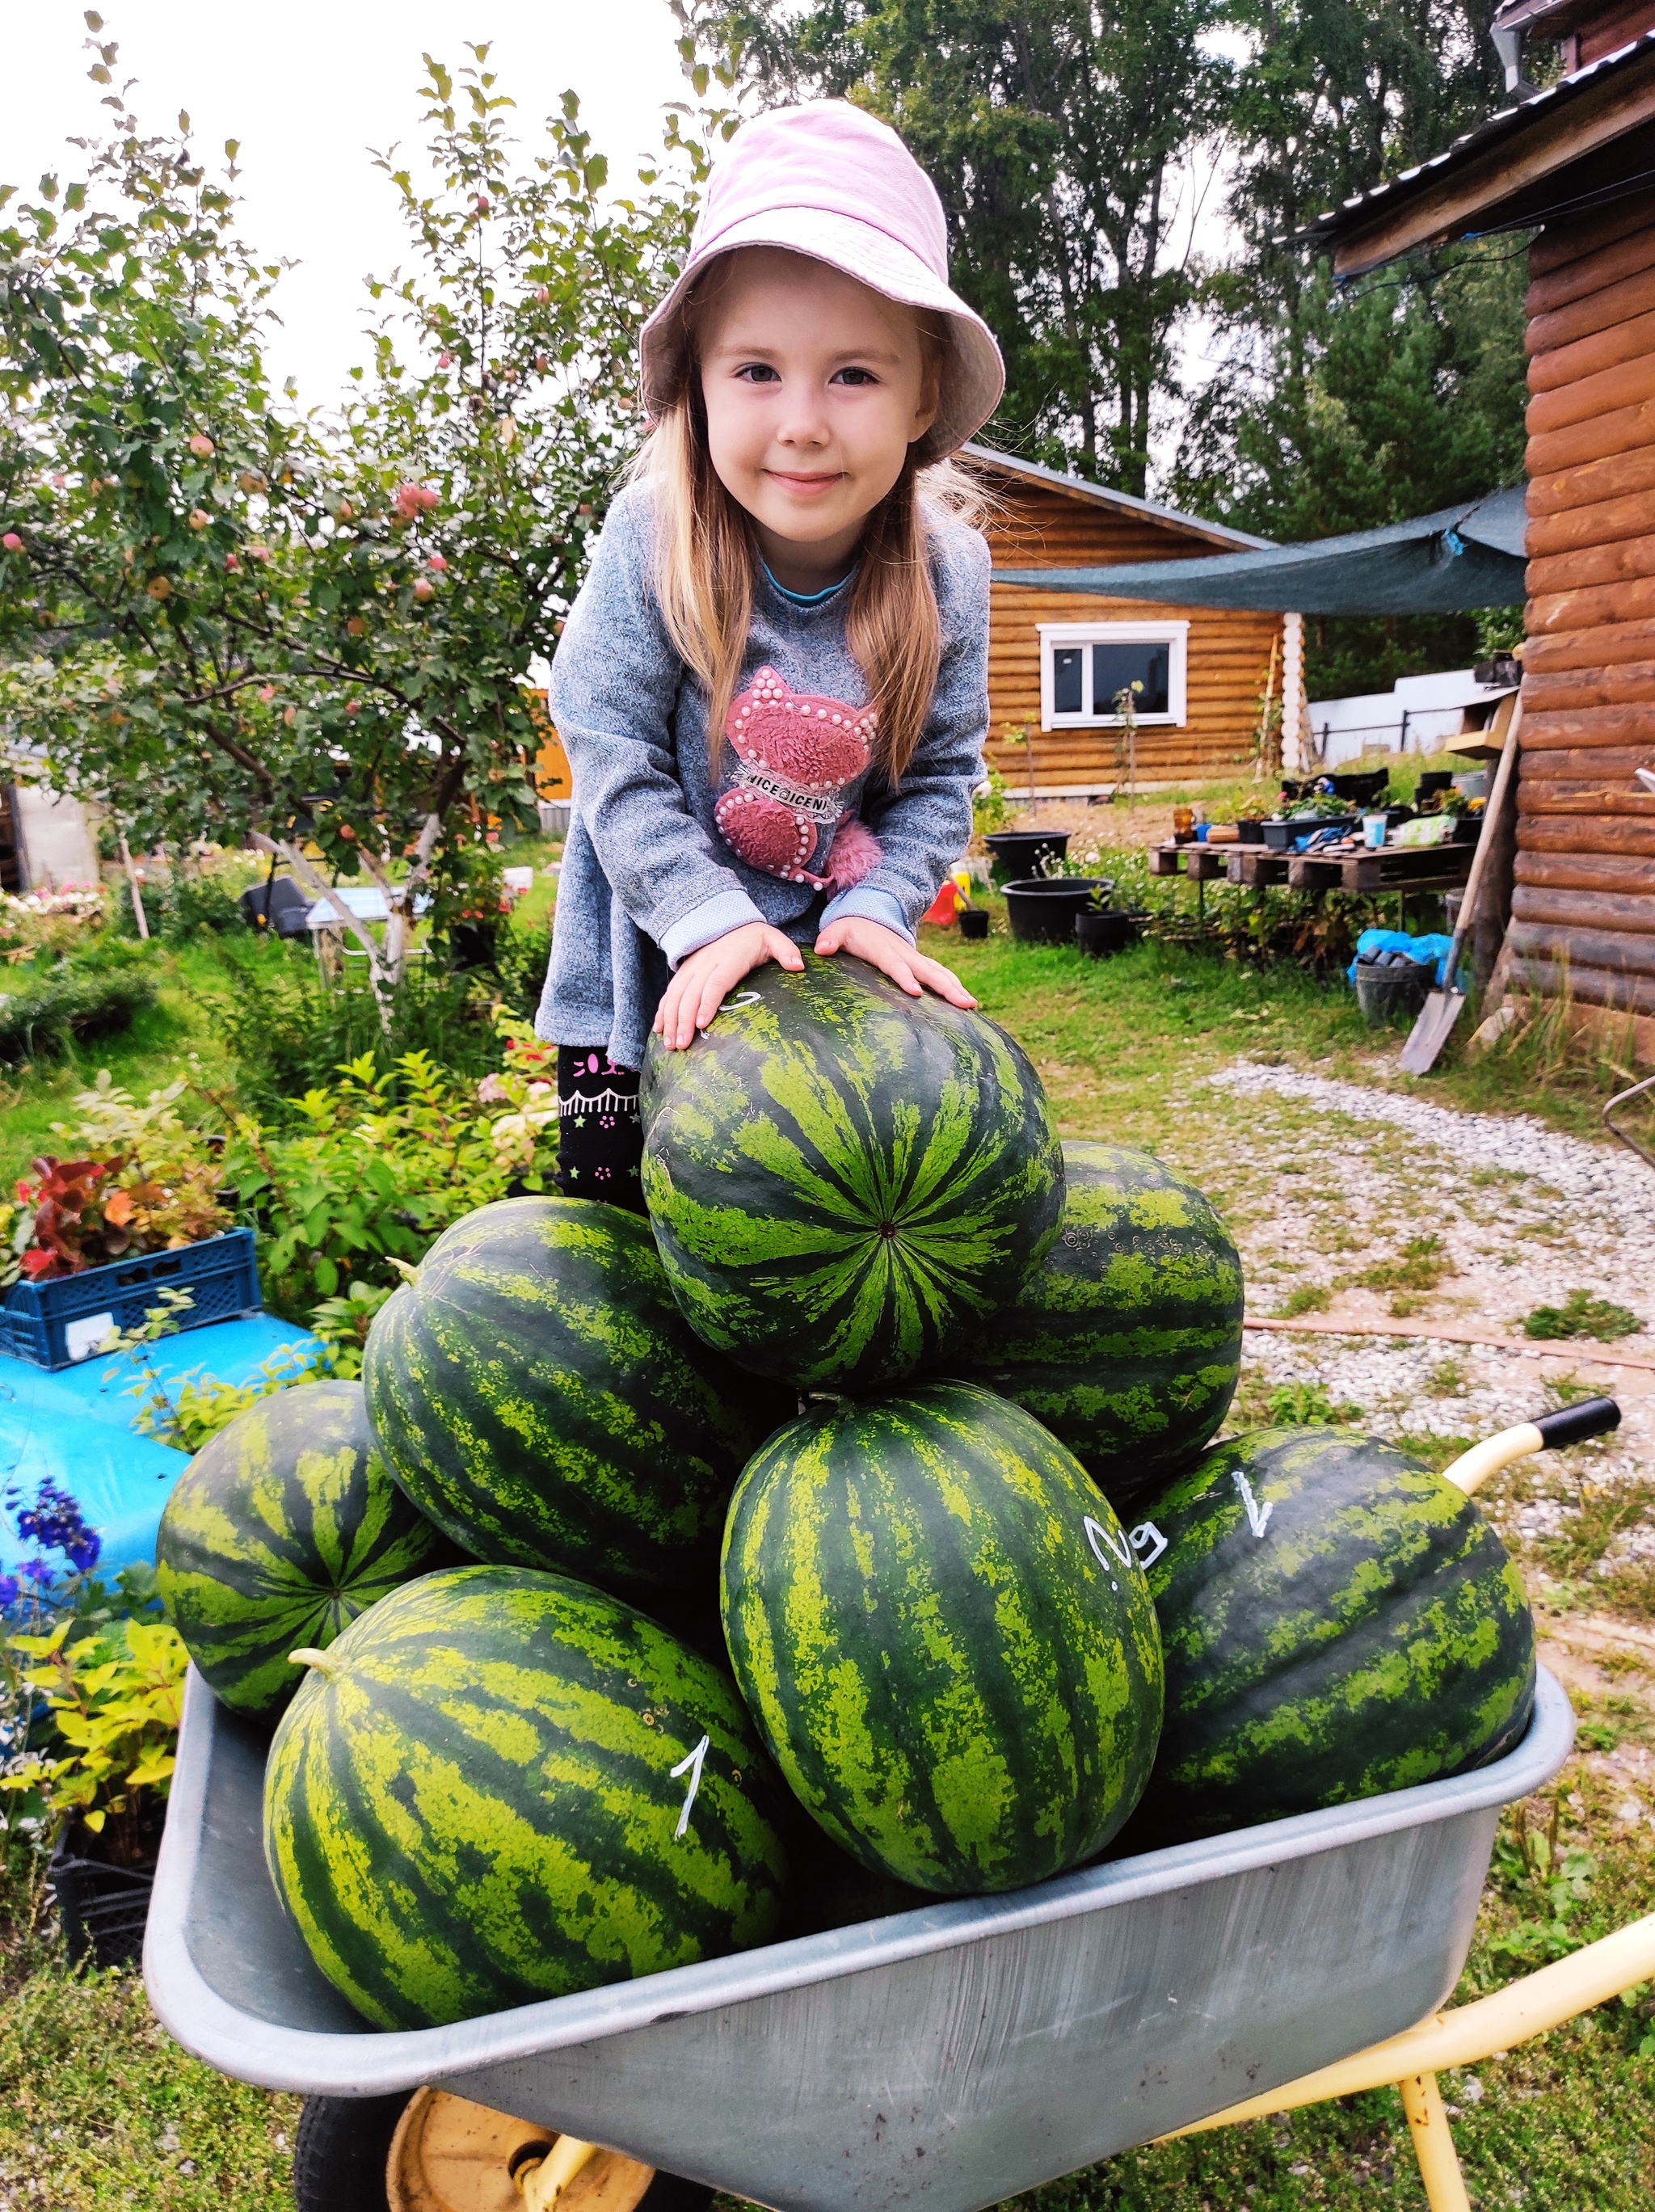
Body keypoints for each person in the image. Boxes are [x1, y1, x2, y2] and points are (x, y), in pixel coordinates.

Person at [537, 100, 1005, 1213]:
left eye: (853, 374)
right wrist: (707, 915)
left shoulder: (950, 575)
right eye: (757, 370)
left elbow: (942, 779)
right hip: (644, 985)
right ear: (697, 380)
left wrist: (884, 902)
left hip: (823, 986)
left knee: (824, 1257)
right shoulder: (654, 541)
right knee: (620, 1290)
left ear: (924, 394)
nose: (801, 421)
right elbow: (603, 742)